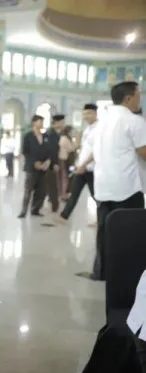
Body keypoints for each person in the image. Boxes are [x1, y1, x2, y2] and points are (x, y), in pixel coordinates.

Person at [79, 81, 146, 281]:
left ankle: (102, 272)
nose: (139, 98)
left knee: (105, 232)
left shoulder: (101, 123)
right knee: (131, 233)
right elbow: (144, 152)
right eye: (138, 95)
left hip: (103, 186)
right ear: (128, 98)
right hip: (127, 187)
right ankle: (129, 274)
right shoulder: (134, 121)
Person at [58, 104, 98, 222]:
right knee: (74, 193)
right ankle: (64, 216)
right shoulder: (87, 129)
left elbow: (96, 151)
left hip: (91, 169)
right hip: (82, 167)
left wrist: (84, 165)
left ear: (96, 114)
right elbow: (83, 149)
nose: (86, 116)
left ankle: (103, 219)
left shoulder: (99, 129)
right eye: (84, 114)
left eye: (89, 113)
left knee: (96, 196)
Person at [18, 115, 51, 218]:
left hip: (43, 168)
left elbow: (49, 151)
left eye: (42, 122)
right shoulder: (28, 136)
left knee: (41, 190)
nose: (41, 124)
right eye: (40, 121)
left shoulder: (45, 136)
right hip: (32, 168)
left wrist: (48, 161)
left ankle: (36, 209)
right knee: (28, 190)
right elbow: (25, 151)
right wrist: (34, 162)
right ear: (34, 123)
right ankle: (23, 211)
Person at [44, 114, 63, 212]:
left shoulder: (53, 133)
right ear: (56, 123)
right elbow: (52, 150)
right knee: (53, 184)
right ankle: (55, 206)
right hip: (51, 163)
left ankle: (52, 202)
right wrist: (54, 163)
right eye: (62, 122)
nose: (63, 124)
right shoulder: (52, 134)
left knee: (49, 184)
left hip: (50, 162)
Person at [58, 125, 77, 200]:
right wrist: (77, 141)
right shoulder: (64, 139)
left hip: (69, 161)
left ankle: (67, 193)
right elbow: (71, 148)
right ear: (68, 132)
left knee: (70, 176)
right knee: (65, 177)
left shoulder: (69, 138)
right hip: (64, 160)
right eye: (72, 131)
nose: (73, 133)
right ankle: (63, 195)